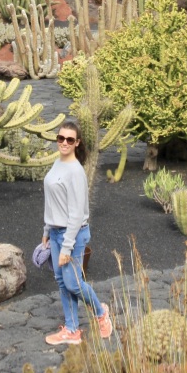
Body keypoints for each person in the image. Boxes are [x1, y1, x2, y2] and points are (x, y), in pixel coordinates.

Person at [40, 121, 114, 345]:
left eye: (69, 140)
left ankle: (101, 313)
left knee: (73, 283)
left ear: (77, 143)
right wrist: (46, 230)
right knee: (62, 282)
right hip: (55, 232)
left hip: (72, 234)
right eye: (61, 138)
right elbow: (52, 202)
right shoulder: (57, 163)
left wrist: (66, 246)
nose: (64, 143)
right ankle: (72, 330)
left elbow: (76, 213)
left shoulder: (76, 172)